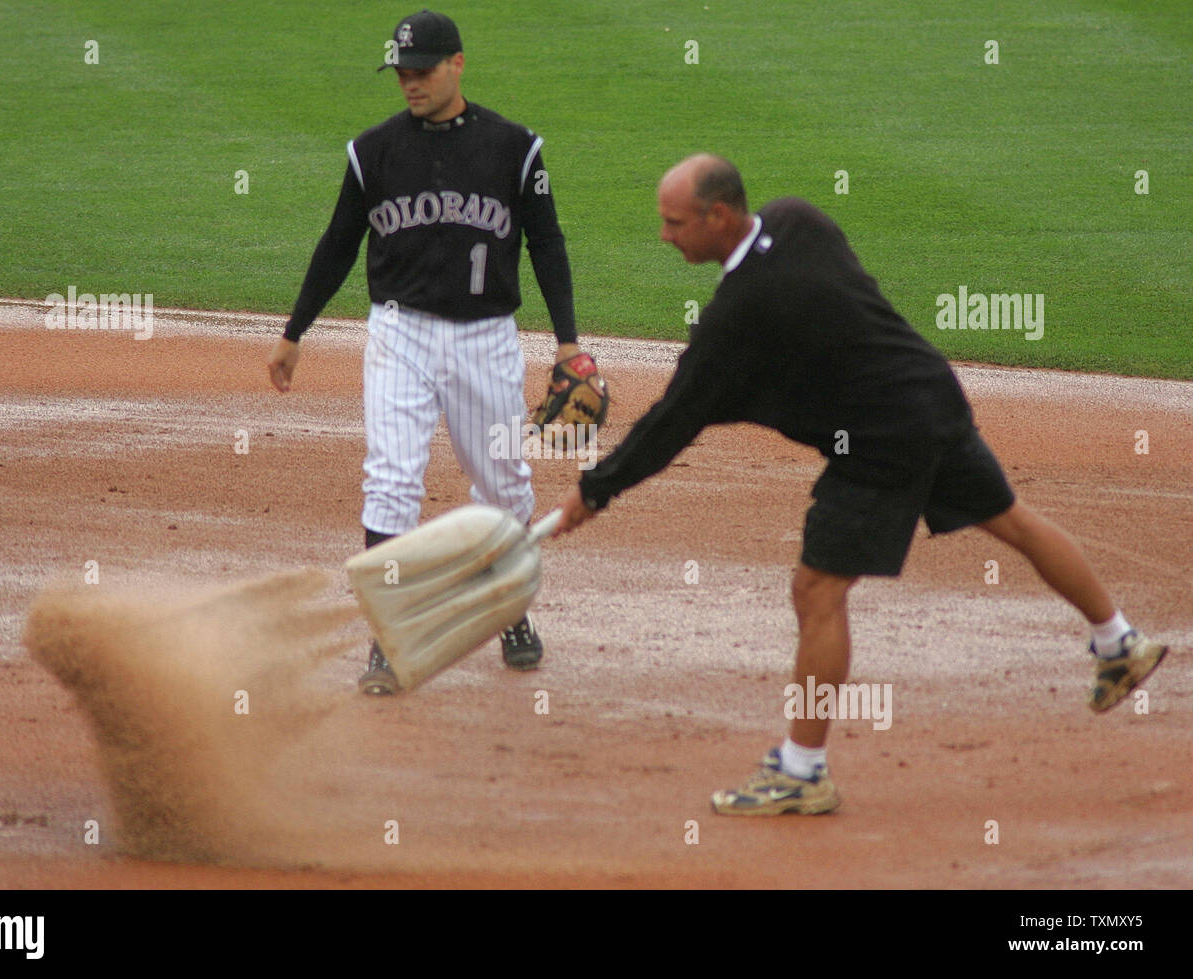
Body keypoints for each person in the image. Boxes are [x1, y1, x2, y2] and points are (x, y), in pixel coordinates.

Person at [552, 153, 1170, 814]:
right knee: (1011, 520)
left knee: (816, 589)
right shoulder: (798, 219)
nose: (664, 236)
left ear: (720, 215)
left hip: (883, 444)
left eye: (674, 223)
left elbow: (669, 423)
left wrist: (594, 491)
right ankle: (1119, 641)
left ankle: (802, 770)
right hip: (931, 395)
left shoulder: (738, 317)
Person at [269, 10, 581, 694]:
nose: (409, 83)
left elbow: (547, 244)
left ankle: (511, 613)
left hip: (487, 338)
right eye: (402, 73)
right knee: (390, 479)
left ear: (457, 64)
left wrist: (567, 341)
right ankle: (389, 634)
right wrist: (295, 333)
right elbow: (337, 246)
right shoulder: (372, 152)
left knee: (503, 483)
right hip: (399, 333)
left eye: (422, 71)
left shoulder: (515, 148)